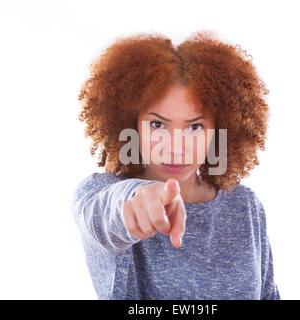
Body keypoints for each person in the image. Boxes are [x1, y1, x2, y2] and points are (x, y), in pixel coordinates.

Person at [71, 30, 280, 299]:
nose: (176, 147)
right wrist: (139, 197)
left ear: (220, 128)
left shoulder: (245, 205)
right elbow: (105, 213)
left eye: (195, 126)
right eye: (158, 124)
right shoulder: (103, 194)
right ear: (130, 124)